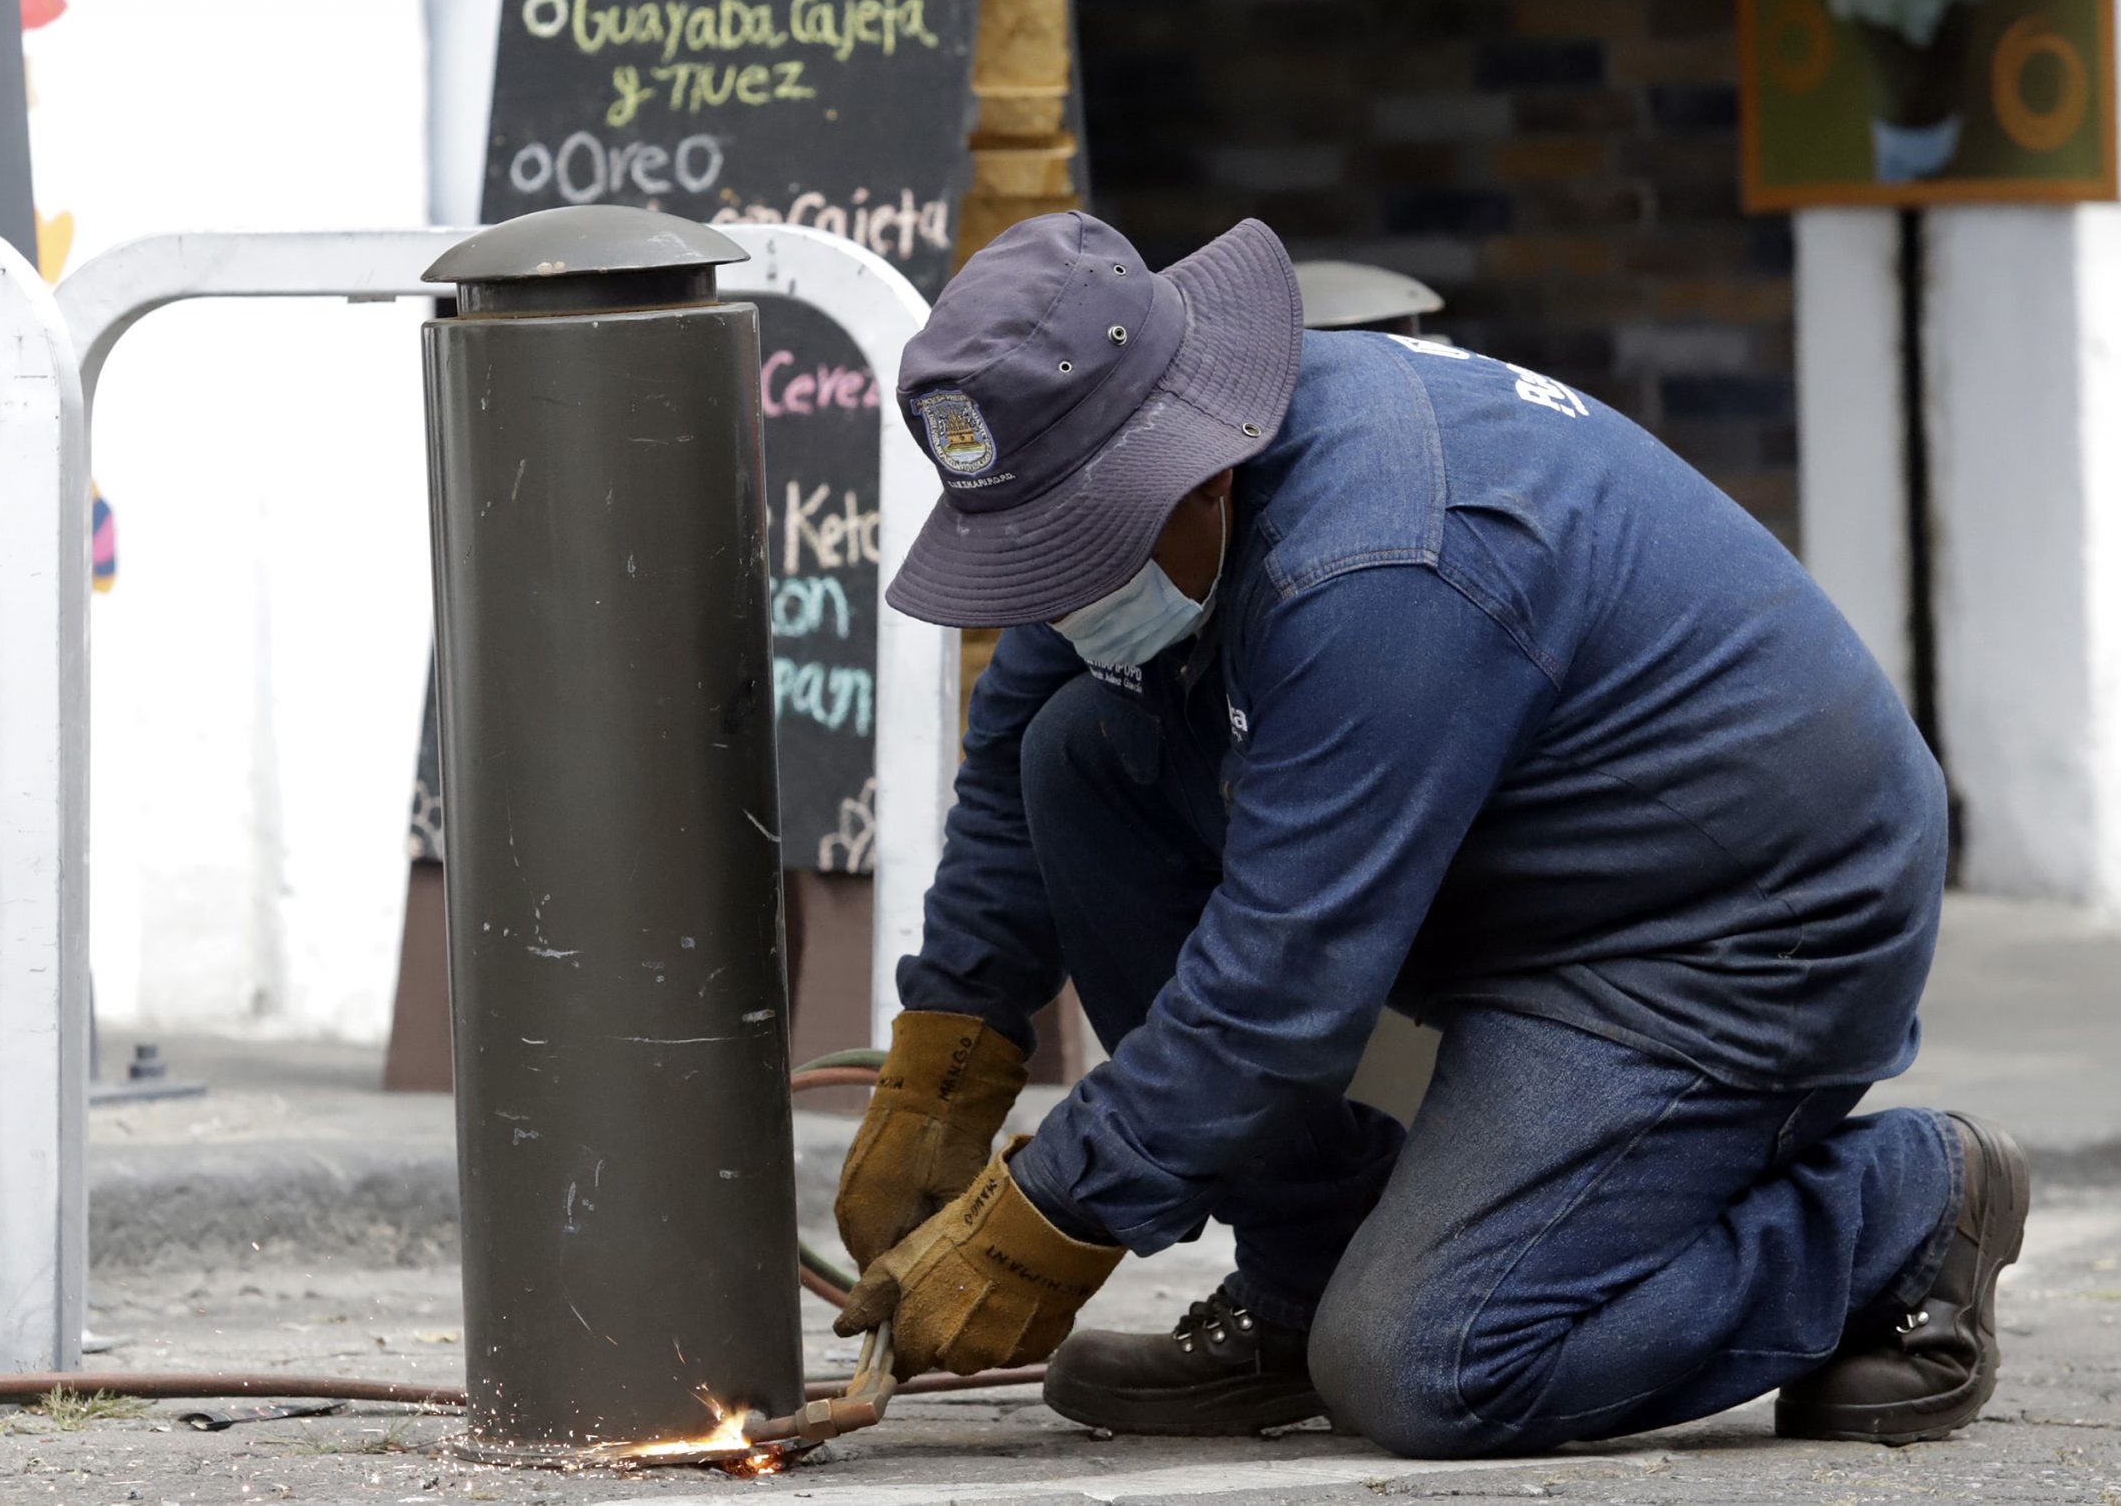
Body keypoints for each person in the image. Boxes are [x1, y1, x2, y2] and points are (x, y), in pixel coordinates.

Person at [830, 210, 2023, 1457]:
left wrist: (1043, 1219)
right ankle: (1306, 1276)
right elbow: (1015, 741)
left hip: (1732, 935)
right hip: (1532, 860)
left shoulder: (1378, 567)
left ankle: (1903, 1209)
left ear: (1201, 467)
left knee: (1427, 1367)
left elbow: (1277, 995)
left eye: (1073, 551)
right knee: (1076, 754)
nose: (1055, 593)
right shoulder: (1139, 464)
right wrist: (949, 1055)